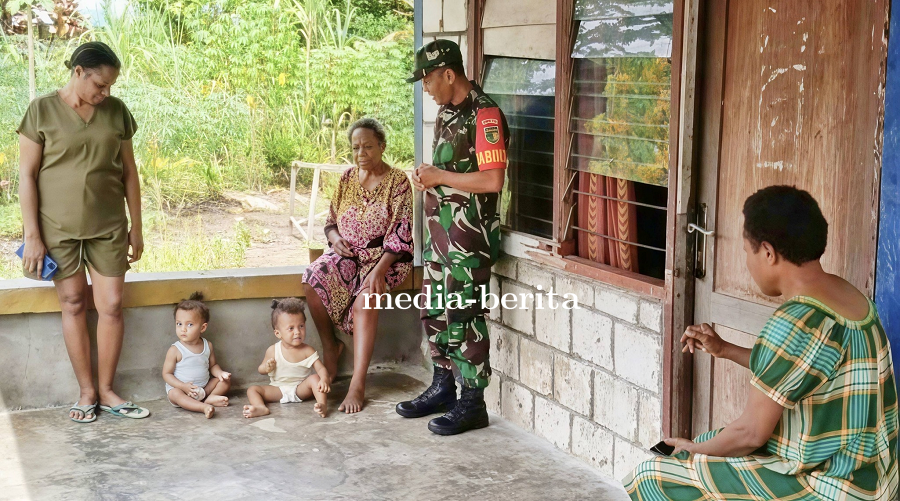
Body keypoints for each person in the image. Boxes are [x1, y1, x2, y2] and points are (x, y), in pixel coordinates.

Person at [624, 186, 899, 500]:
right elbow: (801, 365)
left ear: (768, 253)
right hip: (874, 479)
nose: (746, 260)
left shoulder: (795, 320)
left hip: (827, 485)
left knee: (653, 476)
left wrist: (693, 448)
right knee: (714, 442)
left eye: (746, 250)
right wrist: (725, 349)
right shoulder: (851, 298)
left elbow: (751, 433)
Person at [17, 41, 148, 422]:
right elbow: (26, 176)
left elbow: (129, 172)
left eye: (110, 86)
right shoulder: (41, 110)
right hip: (57, 229)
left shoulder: (116, 112)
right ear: (78, 72)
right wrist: (32, 235)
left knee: (110, 306)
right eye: (100, 85)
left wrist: (136, 226)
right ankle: (86, 390)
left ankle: (107, 390)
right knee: (73, 303)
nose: (105, 93)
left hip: (108, 227)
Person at [397, 39, 510, 436]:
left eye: (428, 79)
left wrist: (440, 177)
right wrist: (429, 176)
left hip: (468, 242)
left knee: (465, 318)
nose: (425, 88)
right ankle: (444, 386)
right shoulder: (447, 111)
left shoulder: (485, 115)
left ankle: (472, 403)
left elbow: (493, 180)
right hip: (440, 237)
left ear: (449, 73)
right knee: (434, 312)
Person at [303, 118, 413, 414]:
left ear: (382, 147)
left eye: (367, 146)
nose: (360, 152)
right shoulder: (347, 178)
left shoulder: (398, 182)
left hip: (386, 259)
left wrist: (378, 270)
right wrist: (335, 238)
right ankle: (331, 347)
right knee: (313, 277)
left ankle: (358, 384)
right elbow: (330, 222)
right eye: (355, 147)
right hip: (349, 256)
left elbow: (401, 234)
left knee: (366, 299)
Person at [243, 298, 331, 418]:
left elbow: (321, 369)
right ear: (278, 333)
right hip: (277, 390)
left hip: (300, 389)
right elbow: (261, 369)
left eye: (301, 326)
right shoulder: (273, 350)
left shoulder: (307, 350)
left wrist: (324, 379)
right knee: (252, 390)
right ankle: (260, 407)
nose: (297, 332)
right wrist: (267, 367)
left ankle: (322, 405)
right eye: (291, 328)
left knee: (315, 378)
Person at [161, 292, 232, 418]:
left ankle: (211, 397)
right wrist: (182, 386)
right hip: (182, 390)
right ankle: (203, 407)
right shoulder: (175, 350)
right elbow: (167, 374)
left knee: (225, 381)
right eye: (179, 324)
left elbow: (213, 365)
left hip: (203, 389)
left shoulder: (207, 345)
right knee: (175, 394)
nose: (183, 329)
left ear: (203, 327)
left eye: (189, 324)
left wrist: (220, 373)